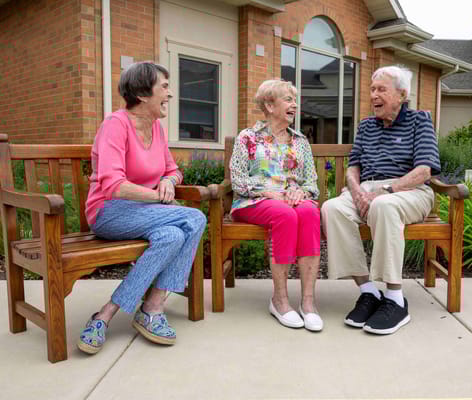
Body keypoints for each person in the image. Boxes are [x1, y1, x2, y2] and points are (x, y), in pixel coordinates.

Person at [78, 61, 207, 354]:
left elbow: (174, 170)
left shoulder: (157, 129)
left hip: (146, 214)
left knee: (173, 236)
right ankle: (151, 309)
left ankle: (109, 313)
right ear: (142, 94)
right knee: (195, 217)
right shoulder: (115, 125)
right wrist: (158, 197)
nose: (170, 94)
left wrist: (169, 182)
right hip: (109, 212)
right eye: (164, 86)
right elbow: (112, 185)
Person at [321, 66, 441, 335]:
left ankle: (396, 299)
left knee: (383, 205)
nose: (374, 95)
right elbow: (353, 168)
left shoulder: (419, 121)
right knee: (332, 208)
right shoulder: (366, 126)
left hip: (407, 190)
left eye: (381, 89)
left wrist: (386, 190)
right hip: (368, 190)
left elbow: (424, 171)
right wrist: (357, 191)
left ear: (401, 94)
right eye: (372, 89)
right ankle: (368, 292)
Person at [230, 79, 323, 331]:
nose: (295, 104)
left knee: (310, 212)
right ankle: (279, 300)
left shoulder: (300, 141)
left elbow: (311, 181)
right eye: (289, 99)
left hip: (290, 201)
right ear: (270, 105)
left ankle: (308, 302)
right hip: (254, 201)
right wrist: (269, 192)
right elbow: (237, 179)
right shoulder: (248, 138)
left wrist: (299, 191)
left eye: (295, 100)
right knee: (285, 214)